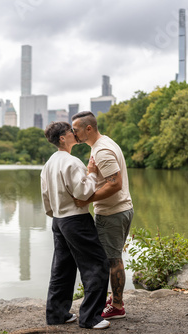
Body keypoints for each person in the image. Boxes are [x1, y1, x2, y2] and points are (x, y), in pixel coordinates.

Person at [41, 121, 110, 330]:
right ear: (63, 138)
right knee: (97, 264)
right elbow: (83, 192)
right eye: (71, 131)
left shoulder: (49, 163)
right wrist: (92, 173)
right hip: (75, 220)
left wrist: (56, 214)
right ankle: (90, 318)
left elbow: (45, 196)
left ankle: (57, 314)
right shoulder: (72, 162)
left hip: (58, 221)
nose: (75, 133)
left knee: (62, 268)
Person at [71, 111, 134, 320]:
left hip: (112, 213)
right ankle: (115, 300)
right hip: (120, 209)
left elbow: (115, 184)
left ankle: (117, 306)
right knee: (112, 257)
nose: (74, 133)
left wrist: (87, 200)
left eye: (76, 129)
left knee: (112, 260)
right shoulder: (103, 143)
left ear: (88, 128)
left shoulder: (102, 151)